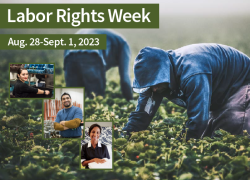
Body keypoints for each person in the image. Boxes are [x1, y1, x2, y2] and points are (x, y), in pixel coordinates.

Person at [123, 43, 250, 140]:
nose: (154, 89)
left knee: (232, 123)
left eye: (155, 83)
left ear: (164, 73)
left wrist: (182, 143)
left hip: (243, 81)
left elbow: (198, 119)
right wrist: (122, 137)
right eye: (150, 85)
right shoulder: (155, 84)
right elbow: (142, 114)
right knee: (212, 134)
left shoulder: (192, 71)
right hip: (220, 91)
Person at [64, 29, 133, 101]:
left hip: (69, 56)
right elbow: (125, 79)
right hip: (91, 55)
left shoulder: (110, 39)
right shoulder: (124, 45)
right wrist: (130, 100)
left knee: (72, 100)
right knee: (96, 100)